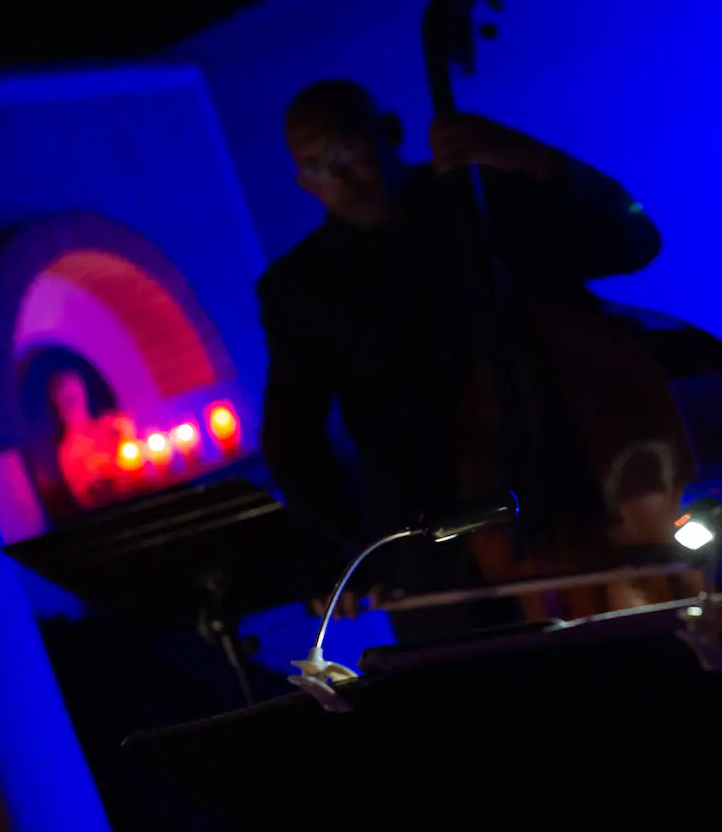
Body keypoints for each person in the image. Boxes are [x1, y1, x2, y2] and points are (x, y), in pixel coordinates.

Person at [258, 79, 660, 629]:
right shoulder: (299, 288)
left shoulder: (482, 198)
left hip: (578, 499)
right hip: (432, 555)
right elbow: (292, 438)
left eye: (346, 152)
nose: (340, 177)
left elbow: (634, 240)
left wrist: (529, 157)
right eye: (317, 167)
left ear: (390, 133)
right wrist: (347, 554)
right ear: (304, 183)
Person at [51, 371, 136, 509]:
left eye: (76, 394)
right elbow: (85, 496)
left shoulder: (110, 424)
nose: (74, 403)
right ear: (59, 405)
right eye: (67, 398)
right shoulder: (68, 451)